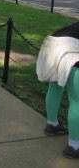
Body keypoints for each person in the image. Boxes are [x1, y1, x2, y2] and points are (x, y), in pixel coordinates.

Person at [36, 21, 79, 159]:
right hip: (72, 52)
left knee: (55, 89)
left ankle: (52, 124)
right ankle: (74, 146)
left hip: (54, 47)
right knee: (77, 100)